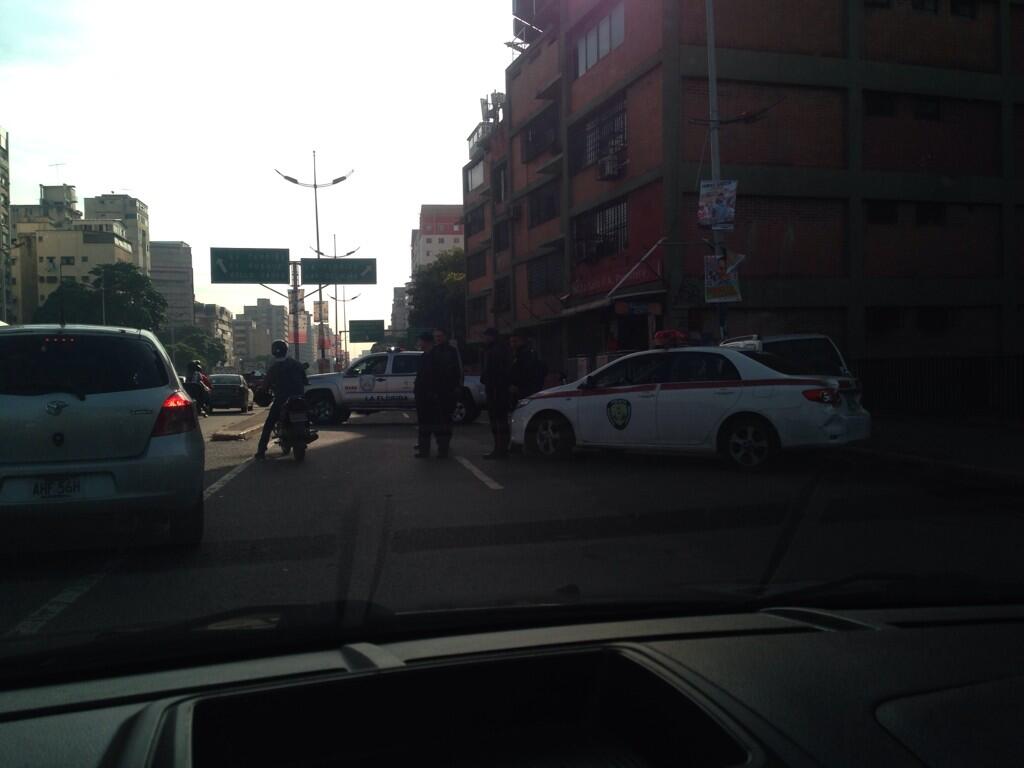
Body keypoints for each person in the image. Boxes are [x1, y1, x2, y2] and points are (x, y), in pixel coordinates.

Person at [255, 339, 308, 461]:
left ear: (274, 352)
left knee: (269, 425)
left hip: (281, 400)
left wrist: (263, 390)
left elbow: (265, 385)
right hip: (299, 398)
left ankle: (261, 451)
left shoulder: (273, 368)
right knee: (307, 414)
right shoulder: (296, 364)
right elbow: (305, 380)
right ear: (286, 350)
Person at [413, 331, 459, 458]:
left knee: (438, 424)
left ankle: (442, 450)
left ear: (426, 342)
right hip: (423, 397)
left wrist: (434, 393)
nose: (419, 344)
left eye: (420, 341)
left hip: (433, 397)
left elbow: (439, 377)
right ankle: (424, 450)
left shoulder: (437, 357)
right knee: (424, 425)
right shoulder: (424, 356)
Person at [480, 327, 512, 460]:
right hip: (498, 389)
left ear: (491, 337)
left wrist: (487, 380)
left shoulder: (495, 351)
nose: (484, 339)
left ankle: (500, 449)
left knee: (498, 420)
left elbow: (495, 371)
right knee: (500, 420)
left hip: (496, 390)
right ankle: (501, 448)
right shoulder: (499, 349)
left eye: (486, 336)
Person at [509, 328, 546, 402]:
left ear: (522, 341)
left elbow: (526, 372)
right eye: (511, 342)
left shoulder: (526, 354)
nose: (512, 344)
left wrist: (518, 385)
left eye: (515, 341)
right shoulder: (518, 354)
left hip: (526, 390)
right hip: (523, 390)